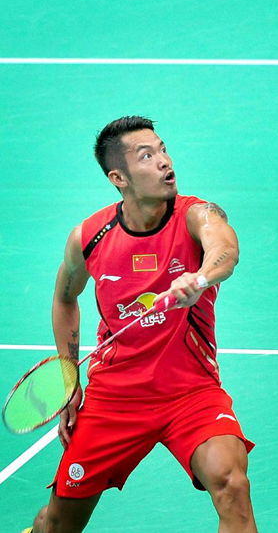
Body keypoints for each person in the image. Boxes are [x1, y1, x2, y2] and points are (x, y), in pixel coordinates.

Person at [23, 115, 257, 533]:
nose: (165, 162)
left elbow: (225, 248)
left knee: (232, 484)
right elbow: (64, 298)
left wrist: (200, 277)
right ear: (119, 177)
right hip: (115, 398)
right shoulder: (90, 237)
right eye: (146, 156)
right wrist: (68, 379)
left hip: (191, 393)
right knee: (58, 524)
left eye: (163, 149)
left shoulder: (195, 214)